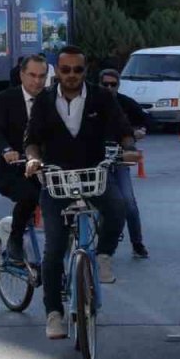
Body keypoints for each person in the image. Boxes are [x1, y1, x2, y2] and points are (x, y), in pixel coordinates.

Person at [23, 46, 138, 340]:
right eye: (65, 70)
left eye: (78, 70)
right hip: (57, 181)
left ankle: (102, 256)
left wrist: (129, 149)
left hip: (94, 176)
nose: (72, 75)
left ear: (85, 72)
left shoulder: (102, 97)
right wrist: (34, 159)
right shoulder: (44, 102)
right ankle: (54, 314)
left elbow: (124, 129)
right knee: (54, 249)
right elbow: (32, 140)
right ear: (57, 71)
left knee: (118, 207)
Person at [0, 55, 49, 266]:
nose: (37, 81)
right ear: (22, 74)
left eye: (42, 76)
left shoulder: (52, 99)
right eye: (32, 75)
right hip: (13, 169)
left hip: (45, 169)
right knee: (30, 196)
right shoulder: (6, 98)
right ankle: (15, 241)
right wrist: (6, 150)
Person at [99, 69, 149, 259]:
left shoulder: (125, 103)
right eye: (106, 84)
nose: (109, 88)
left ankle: (137, 243)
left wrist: (139, 131)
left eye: (113, 84)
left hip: (119, 159)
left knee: (128, 202)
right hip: (96, 160)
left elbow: (145, 121)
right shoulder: (90, 103)